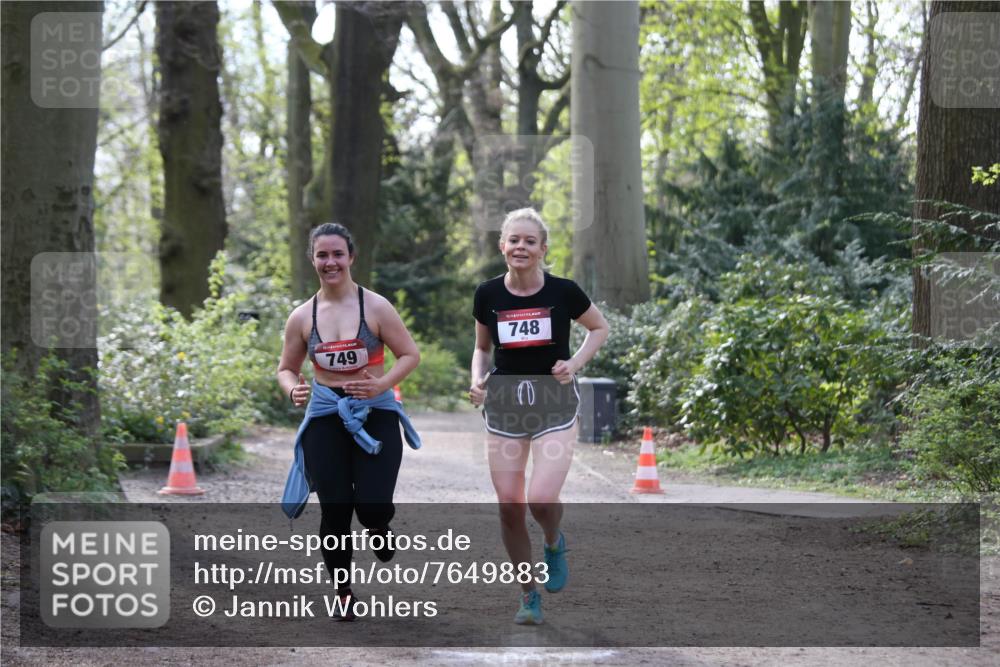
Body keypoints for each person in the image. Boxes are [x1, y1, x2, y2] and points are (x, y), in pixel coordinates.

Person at [469, 208, 609, 625]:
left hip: (554, 402)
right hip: (505, 404)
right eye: (514, 240)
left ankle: (552, 540)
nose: (521, 247)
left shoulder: (564, 291)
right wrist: (477, 380)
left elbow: (599, 328)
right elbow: (481, 348)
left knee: (541, 499)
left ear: (543, 249)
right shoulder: (487, 294)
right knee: (509, 505)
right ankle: (528, 595)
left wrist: (574, 363)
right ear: (502, 246)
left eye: (530, 241)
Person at [278, 222, 421, 621]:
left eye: (337, 254)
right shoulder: (301, 317)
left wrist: (382, 385)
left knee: (372, 506)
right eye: (322, 255)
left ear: (351, 257)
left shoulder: (375, 307)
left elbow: (410, 355)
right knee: (335, 510)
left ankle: (378, 526)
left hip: (375, 413)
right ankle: (343, 590)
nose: (331, 262)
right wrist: (292, 390)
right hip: (326, 416)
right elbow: (286, 368)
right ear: (312, 260)